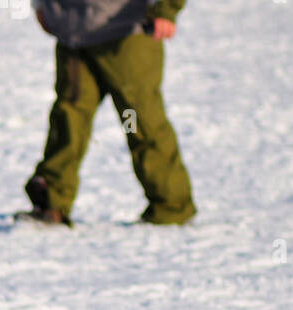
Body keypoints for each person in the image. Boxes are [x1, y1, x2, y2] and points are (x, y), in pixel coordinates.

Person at [23, 1, 196, 226]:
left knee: (136, 121)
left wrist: (166, 9)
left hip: (126, 38)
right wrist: (41, 6)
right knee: (69, 119)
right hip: (73, 36)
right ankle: (51, 200)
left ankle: (170, 207)